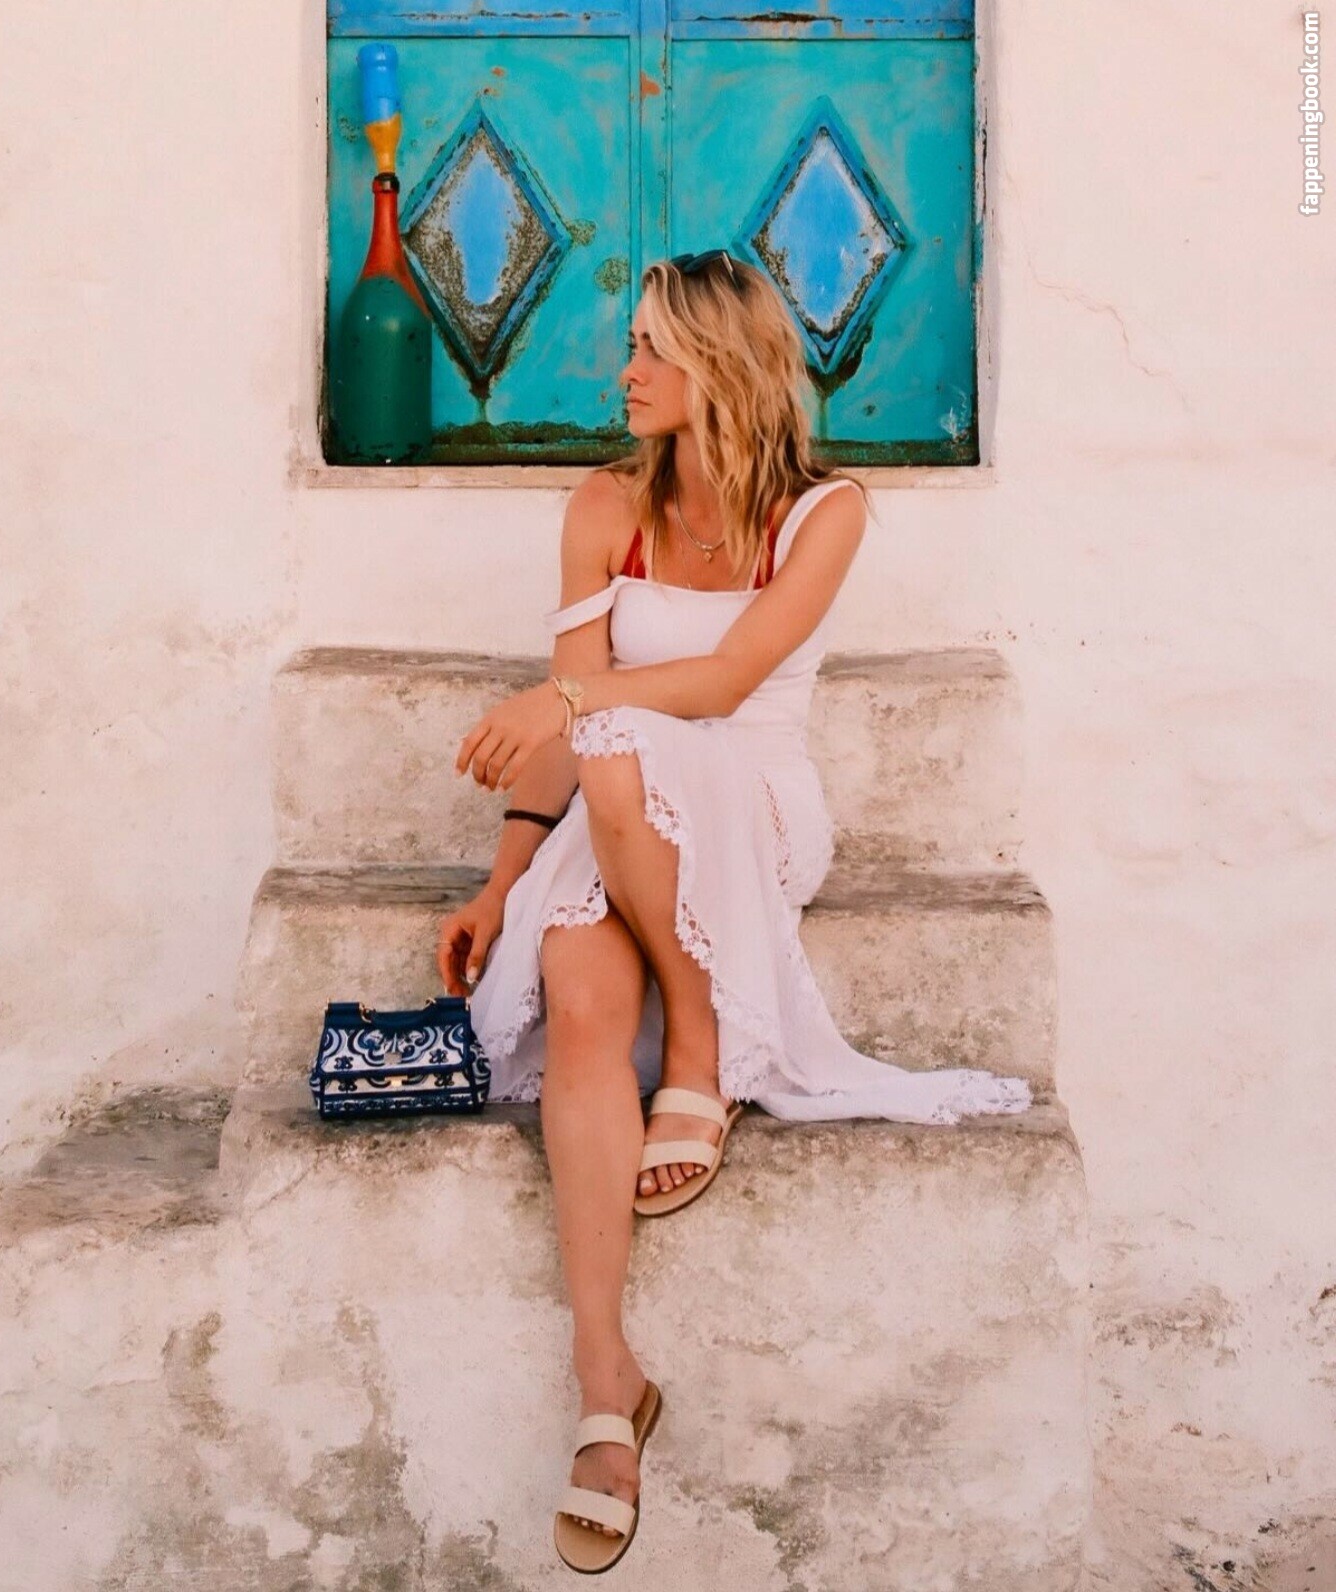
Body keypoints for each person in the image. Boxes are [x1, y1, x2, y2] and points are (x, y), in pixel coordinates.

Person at [435, 250, 1033, 1574]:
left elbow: (721, 684)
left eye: (653, 347)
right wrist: (502, 878)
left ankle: (699, 1044)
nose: (626, 371)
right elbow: (579, 728)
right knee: (578, 989)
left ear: (722, 361)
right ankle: (607, 1386)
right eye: (632, 344)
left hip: (753, 805)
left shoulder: (825, 513)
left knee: (620, 737)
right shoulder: (605, 506)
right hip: (616, 811)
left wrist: (571, 701)